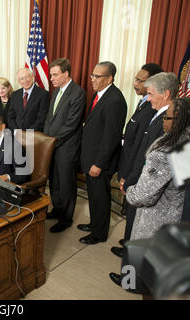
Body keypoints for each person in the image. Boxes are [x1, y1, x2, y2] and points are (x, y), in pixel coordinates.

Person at [108, 98, 190, 291]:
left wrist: (130, 191)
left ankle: (132, 285)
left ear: (178, 121)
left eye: (167, 117)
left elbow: (143, 196)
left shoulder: (166, 151)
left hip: (155, 220)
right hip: (177, 216)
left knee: (143, 268)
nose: (163, 121)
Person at [110, 63, 164, 258]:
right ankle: (127, 244)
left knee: (134, 215)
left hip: (136, 172)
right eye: (136, 78)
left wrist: (129, 176)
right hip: (129, 167)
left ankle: (129, 252)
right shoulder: (144, 102)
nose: (135, 83)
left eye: (141, 80)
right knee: (130, 215)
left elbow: (141, 148)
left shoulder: (153, 109)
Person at [78, 61, 127, 245]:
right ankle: (94, 224)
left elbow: (110, 138)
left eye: (97, 76)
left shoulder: (115, 100)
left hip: (100, 162)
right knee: (94, 196)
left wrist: (99, 164)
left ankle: (99, 234)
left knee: (100, 197)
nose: (92, 79)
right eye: (92, 75)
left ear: (110, 78)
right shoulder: (99, 95)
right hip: (90, 157)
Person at [43, 58, 86, 233]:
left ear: (66, 73)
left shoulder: (78, 93)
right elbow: (49, 119)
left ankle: (66, 218)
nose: (51, 78)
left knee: (66, 184)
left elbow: (71, 124)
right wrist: (46, 139)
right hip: (52, 145)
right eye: (51, 75)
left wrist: (52, 140)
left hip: (66, 146)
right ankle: (57, 209)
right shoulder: (56, 92)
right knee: (54, 181)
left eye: (55, 75)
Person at [7, 68, 50, 132]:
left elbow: (42, 118)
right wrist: (16, 131)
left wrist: (28, 133)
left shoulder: (43, 94)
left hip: (34, 135)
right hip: (16, 135)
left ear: (32, 77)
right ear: (19, 81)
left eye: (27, 77)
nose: (25, 80)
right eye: (22, 79)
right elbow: (10, 116)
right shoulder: (15, 95)